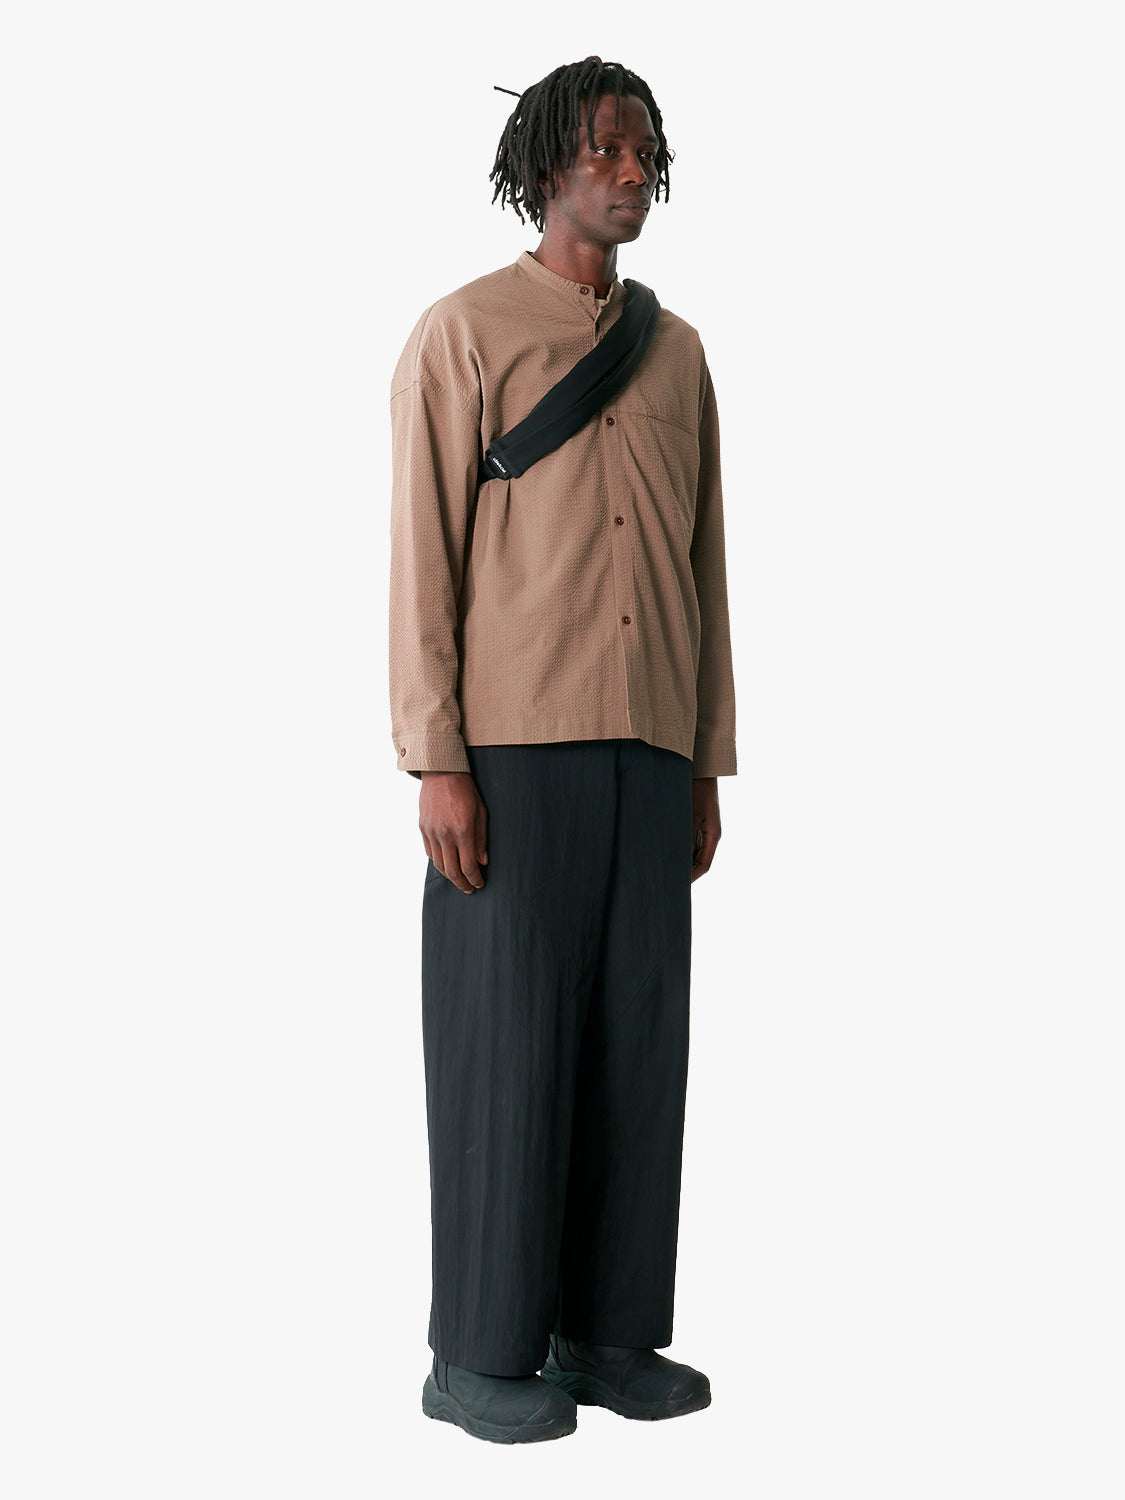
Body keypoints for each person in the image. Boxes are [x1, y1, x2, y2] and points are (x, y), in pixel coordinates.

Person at [388, 56, 737, 1444]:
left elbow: (707, 567)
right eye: (603, 149)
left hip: (650, 747)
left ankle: (606, 1334)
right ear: (544, 165)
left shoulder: (680, 353)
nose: (630, 171)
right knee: (506, 1048)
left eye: (644, 151)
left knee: (638, 1045)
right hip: (513, 750)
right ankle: (478, 1354)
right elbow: (422, 557)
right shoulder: (463, 334)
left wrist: (704, 758)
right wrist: (438, 758)